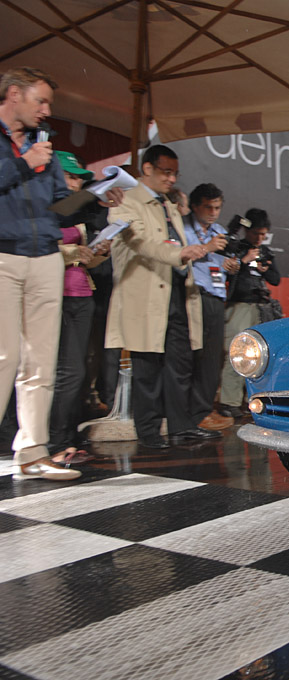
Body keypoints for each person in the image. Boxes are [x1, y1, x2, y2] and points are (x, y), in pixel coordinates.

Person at [0, 66, 122, 481]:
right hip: (3, 257)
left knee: (40, 362)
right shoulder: (22, 150)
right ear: (13, 94)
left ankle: (32, 452)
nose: (47, 110)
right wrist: (22, 164)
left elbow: (59, 205)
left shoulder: (44, 145)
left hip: (46, 259)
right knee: (5, 358)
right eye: (41, 101)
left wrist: (97, 196)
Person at [106, 144, 223, 449]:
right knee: (147, 365)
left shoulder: (168, 205)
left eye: (175, 173)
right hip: (144, 294)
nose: (172, 179)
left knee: (180, 363)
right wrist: (179, 253)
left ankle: (181, 426)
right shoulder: (125, 201)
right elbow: (141, 243)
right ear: (147, 169)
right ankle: (148, 430)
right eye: (165, 172)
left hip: (176, 294)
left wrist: (187, 251)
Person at [48, 151, 112, 464]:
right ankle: (54, 440)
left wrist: (99, 251)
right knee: (58, 371)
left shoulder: (76, 213)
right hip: (50, 294)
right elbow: (38, 250)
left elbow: (83, 258)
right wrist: (74, 252)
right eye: (70, 176)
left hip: (81, 294)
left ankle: (65, 436)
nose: (75, 183)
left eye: (79, 178)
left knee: (76, 371)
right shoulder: (41, 208)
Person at [183, 183, 237, 431]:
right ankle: (189, 413)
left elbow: (221, 262)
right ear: (195, 206)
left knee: (213, 358)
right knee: (191, 356)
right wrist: (207, 248)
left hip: (216, 296)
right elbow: (178, 257)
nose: (213, 212)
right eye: (208, 207)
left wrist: (231, 265)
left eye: (217, 207)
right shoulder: (183, 228)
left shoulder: (219, 231)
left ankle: (204, 410)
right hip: (192, 295)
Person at [218, 208, 280, 418]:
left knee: (260, 356)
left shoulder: (266, 252)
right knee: (236, 354)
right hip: (239, 305)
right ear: (248, 231)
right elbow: (227, 272)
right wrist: (244, 259)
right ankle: (229, 401)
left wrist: (265, 268)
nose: (259, 238)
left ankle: (254, 400)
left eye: (263, 235)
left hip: (261, 307)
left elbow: (275, 279)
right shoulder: (236, 247)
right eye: (256, 234)